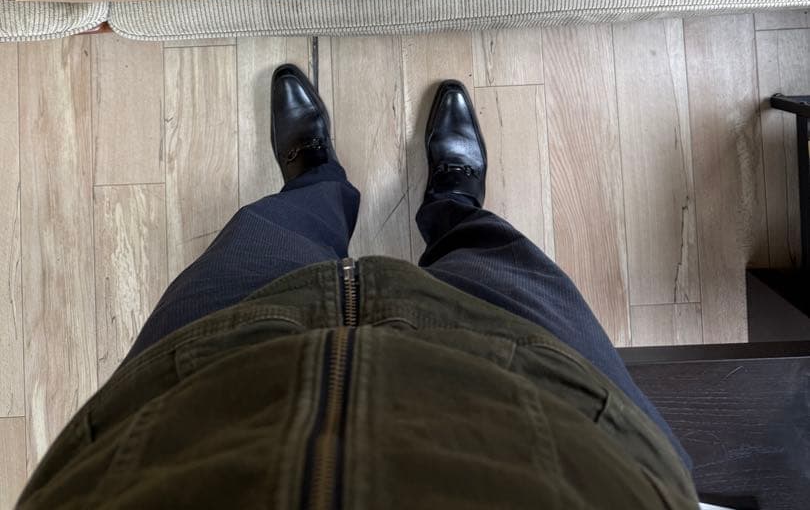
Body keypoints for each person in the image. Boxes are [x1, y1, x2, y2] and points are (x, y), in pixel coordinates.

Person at [18, 65, 698, 509]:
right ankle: (454, 204)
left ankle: (314, 183)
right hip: (549, 400)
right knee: (493, 256)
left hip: (196, 392)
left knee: (266, 237)